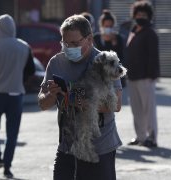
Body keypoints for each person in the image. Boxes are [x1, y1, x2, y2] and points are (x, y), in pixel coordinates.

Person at [38, 14, 122, 180]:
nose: (69, 47)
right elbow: (42, 103)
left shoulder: (105, 60)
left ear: (89, 39)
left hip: (99, 148)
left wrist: (85, 103)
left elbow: (116, 105)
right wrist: (51, 94)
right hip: (67, 146)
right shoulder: (56, 63)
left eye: (75, 43)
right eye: (65, 43)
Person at [0, 14, 35, 178]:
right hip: (16, 93)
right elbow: (31, 70)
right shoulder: (24, 47)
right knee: (12, 133)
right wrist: (21, 80)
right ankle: (7, 167)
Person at [125, 0, 160, 148]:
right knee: (136, 109)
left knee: (148, 109)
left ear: (149, 16)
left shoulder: (150, 33)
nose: (141, 16)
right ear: (134, 15)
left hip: (145, 77)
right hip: (132, 76)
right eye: (138, 14)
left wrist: (153, 75)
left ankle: (151, 138)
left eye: (144, 14)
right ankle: (140, 137)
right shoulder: (133, 31)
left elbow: (153, 56)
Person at [93, 9, 126, 87]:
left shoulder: (118, 38)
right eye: (106, 26)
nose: (108, 28)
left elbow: (121, 58)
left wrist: (114, 44)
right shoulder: (96, 38)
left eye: (110, 26)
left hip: (115, 76)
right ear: (102, 26)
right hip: (100, 77)